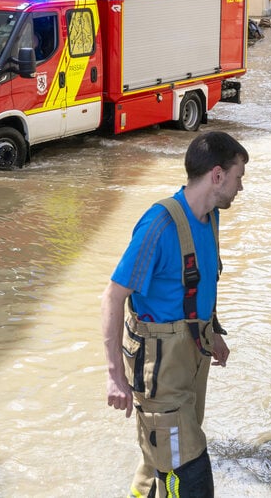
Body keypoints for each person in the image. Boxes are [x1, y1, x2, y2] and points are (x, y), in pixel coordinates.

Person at [102, 131, 248, 497]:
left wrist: (212, 330)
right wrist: (114, 376)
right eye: (238, 177)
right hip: (160, 373)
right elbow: (112, 296)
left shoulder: (210, 218)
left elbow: (198, 284)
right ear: (217, 175)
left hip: (191, 362)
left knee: (160, 460)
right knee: (190, 470)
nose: (240, 188)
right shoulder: (160, 225)